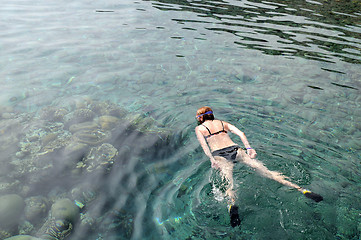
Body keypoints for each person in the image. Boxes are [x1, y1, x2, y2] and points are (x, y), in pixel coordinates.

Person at [195, 106, 323, 227]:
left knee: (229, 185)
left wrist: (212, 159)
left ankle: (232, 206)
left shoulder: (200, 129)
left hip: (220, 155)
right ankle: (301, 189)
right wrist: (249, 148)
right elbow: (242, 133)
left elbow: (204, 145)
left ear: (201, 118)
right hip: (236, 150)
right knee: (269, 173)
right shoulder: (223, 123)